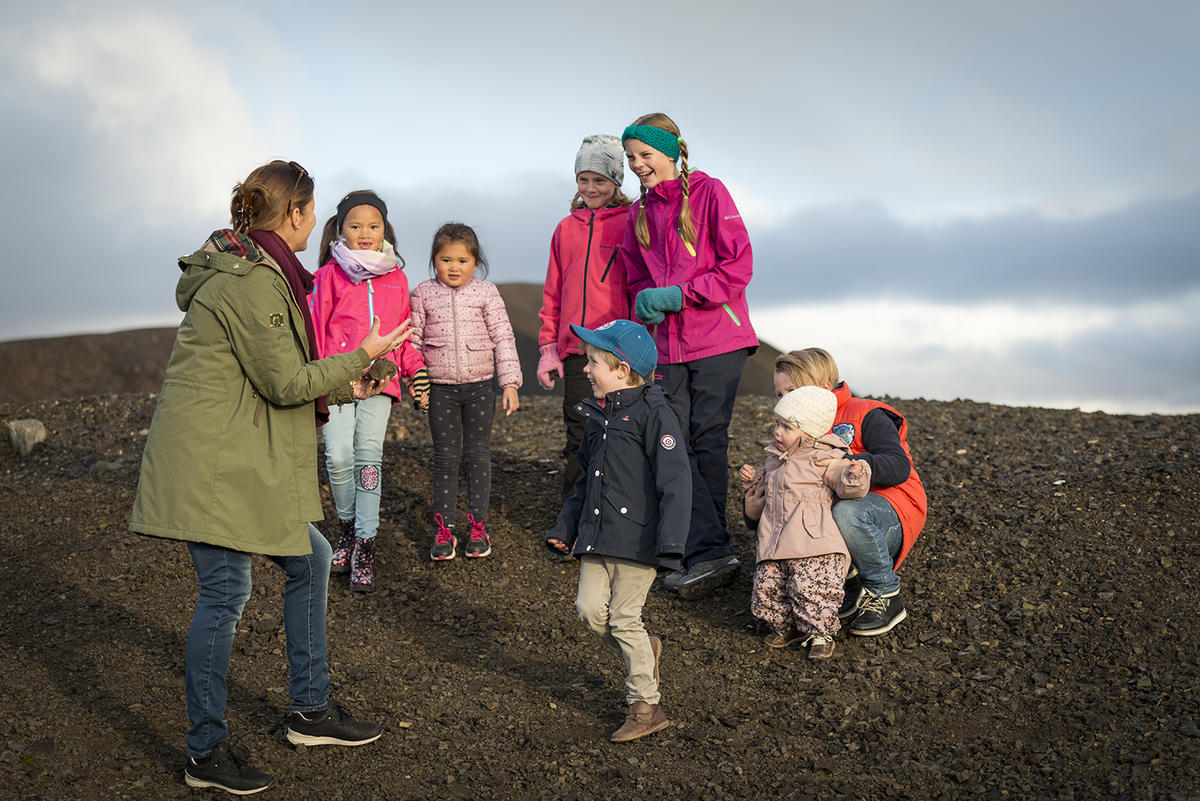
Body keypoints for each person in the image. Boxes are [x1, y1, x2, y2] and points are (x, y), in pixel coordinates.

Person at [130, 160, 403, 795]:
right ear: (296, 214)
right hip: (215, 466)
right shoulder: (252, 281)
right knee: (225, 593)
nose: (319, 221)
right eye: (314, 210)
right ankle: (205, 751)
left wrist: (348, 380)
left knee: (310, 557)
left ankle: (310, 712)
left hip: (235, 456)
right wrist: (363, 353)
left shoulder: (262, 271)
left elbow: (275, 376)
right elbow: (283, 382)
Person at [620, 112, 759, 599]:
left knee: (706, 441)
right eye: (631, 157)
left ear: (672, 152)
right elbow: (635, 279)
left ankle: (709, 550)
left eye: (646, 155)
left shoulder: (709, 191)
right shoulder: (638, 214)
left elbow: (737, 266)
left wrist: (681, 295)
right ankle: (703, 549)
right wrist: (642, 300)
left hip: (719, 338)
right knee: (672, 443)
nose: (637, 165)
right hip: (667, 348)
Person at [544, 320, 688, 742]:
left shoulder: (656, 415)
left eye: (593, 362)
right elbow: (584, 482)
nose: (585, 369)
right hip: (594, 536)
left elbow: (676, 483)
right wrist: (565, 528)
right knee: (589, 612)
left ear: (622, 370)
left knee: (625, 618)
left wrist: (672, 545)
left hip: (638, 539)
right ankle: (645, 649)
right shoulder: (598, 417)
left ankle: (646, 706)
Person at [310, 190, 430, 592]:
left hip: (381, 380)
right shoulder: (328, 275)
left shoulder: (396, 276)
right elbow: (315, 332)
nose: (365, 233)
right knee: (338, 456)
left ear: (385, 230)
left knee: (368, 459)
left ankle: (365, 545)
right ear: (341, 228)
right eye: (355, 226)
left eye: (373, 226)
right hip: (338, 382)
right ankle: (346, 530)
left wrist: (414, 372)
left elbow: (402, 334)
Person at [772, 348, 928, 636]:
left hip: (889, 509)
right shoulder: (794, 428)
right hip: (837, 514)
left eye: (792, 391)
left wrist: (848, 463)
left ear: (820, 388)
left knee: (845, 512)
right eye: (780, 396)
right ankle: (848, 582)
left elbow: (898, 466)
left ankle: (885, 593)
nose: (786, 401)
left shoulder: (864, 413)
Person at [411, 222, 521, 561]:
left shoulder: (487, 293)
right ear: (434, 261)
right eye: (445, 260)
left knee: (477, 455)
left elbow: (503, 337)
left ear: (476, 263)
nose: (453, 267)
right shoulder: (423, 293)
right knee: (445, 457)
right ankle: (444, 531)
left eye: (462, 260)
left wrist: (510, 383)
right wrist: (416, 382)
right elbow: (412, 341)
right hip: (439, 389)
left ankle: (478, 527)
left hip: (479, 387)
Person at [739, 387, 871, 659]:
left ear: (809, 432)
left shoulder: (824, 459)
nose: (777, 431)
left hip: (813, 543)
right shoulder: (775, 460)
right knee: (768, 588)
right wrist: (755, 477)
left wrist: (856, 473)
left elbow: (847, 484)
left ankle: (820, 633)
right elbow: (770, 486)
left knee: (812, 589)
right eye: (777, 423)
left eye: (786, 426)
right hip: (776, 542)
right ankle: (786, 626)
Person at [536, 135, 634, 498]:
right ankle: (574, 519)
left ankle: (616, 519)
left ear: (616, 181)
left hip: (618, 351)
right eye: (584, 179)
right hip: (578, 351)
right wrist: (548, 347)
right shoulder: (565, 228)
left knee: (622, 433)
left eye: (600, 180)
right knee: (579, 432)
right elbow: (553, 290)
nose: (591, 188)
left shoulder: (630, 222)